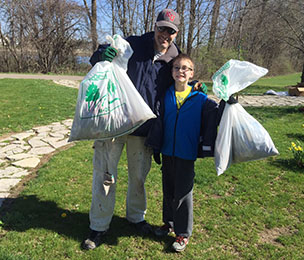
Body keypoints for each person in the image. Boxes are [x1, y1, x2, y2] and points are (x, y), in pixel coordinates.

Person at [82, 9, 204, 250]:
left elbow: (181, 83)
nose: (165, 35)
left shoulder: (175, 58)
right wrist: (100, 54)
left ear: (176, 33)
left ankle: (136, 217)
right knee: (105, 175)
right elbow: (101, 57)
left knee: (139, 177)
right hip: (115, 122)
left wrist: (195, 86)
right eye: (161, 28)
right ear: (155, 27)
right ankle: (98, 226)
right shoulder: (134, 43)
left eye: (170, 31)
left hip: (145, 127)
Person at [145, 53, 221, 252]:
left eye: (185, 68)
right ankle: (169, 223)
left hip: (187, 153)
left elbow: (217, 114)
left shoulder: (200, 98)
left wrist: (230, 101)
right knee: (168, 191)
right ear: (171, 72)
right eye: (177, 67)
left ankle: (183, 233)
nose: (181, 71)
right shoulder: (166, 95)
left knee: (183, 194)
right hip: (168, 151)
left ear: (192, 73)